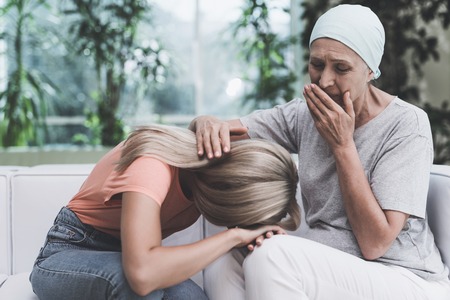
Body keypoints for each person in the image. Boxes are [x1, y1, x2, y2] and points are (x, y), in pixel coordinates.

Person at [189, 4, 450, 300]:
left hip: (405, 276)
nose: (324, 81)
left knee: (272, 255)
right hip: (334, 264)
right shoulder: (306, 114)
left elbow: (376, 244)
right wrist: (205, 122)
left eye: (341, 68)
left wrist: (343, 145)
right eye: (316, 64)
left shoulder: (406, 124)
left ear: (370, 71)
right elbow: (225, 132)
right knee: (223, 259)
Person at [29, 124, 300, 300]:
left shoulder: (206, 173)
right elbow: (142, 275)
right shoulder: (153, 166)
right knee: (137, 290)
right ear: (227, 195)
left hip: (124, 255)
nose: (234, 223)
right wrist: (235, 236)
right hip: (67, 254)